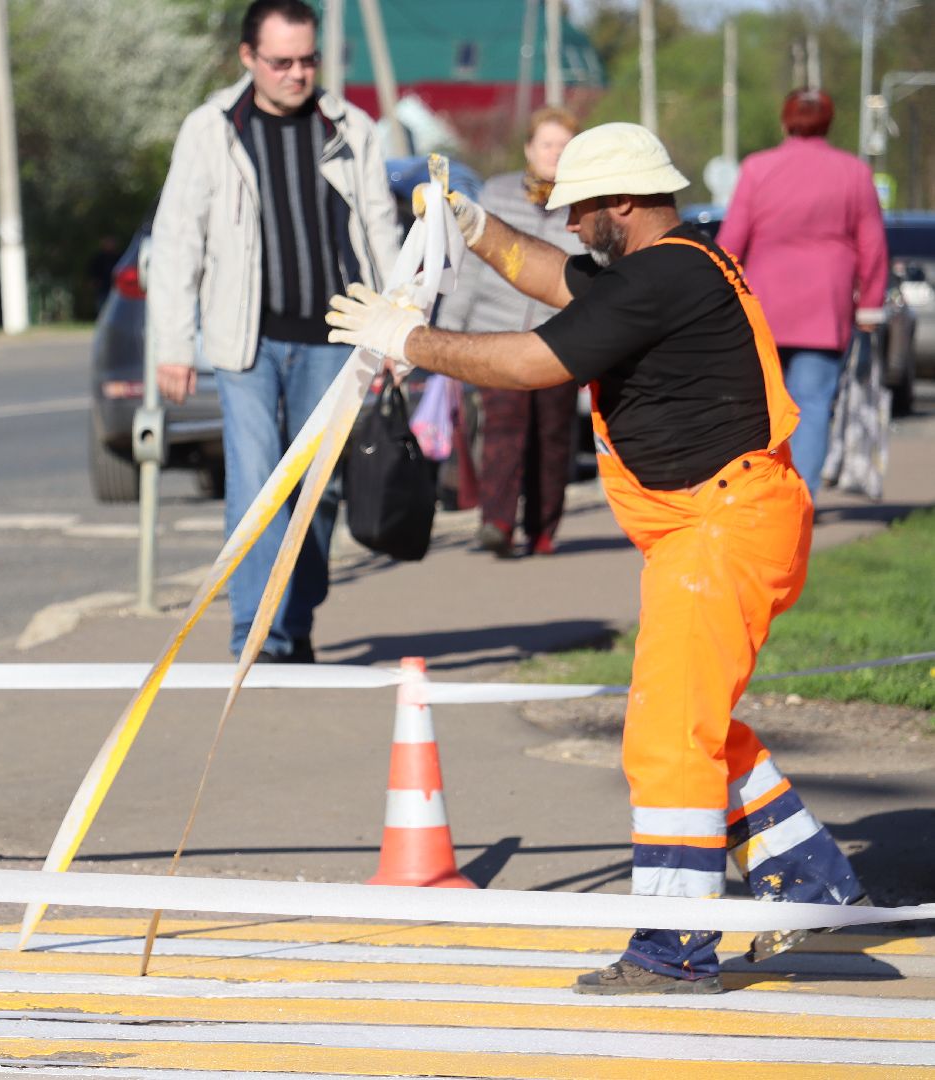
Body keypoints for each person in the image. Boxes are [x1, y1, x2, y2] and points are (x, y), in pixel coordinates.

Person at [326, 123, 865, 994]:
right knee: (700, 728)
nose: (571, 225)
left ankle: (676, 946)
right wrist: (475, 230)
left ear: (621, 202)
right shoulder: (671, 264)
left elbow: (532, 361)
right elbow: (559, 279)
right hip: (723, 520)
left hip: (718, 529)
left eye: (579, 210)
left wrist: (410, 342)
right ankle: (814, 886)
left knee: (666, 739)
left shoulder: (660, 279)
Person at [148, 0, 401, 663]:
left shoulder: (351, 128)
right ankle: (257, 639)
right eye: (281, 61)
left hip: (333, 340)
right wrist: (173, 346)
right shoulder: (210, 130)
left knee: (316, 495)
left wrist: (401, 333)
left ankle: (295, 616)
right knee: (258, 484)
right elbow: (177, 242)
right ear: (247, 58)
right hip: (245, 343)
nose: (297, 74)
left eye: (308, 60)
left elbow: (382, 233)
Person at [717, 89, 888, 495]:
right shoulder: (853, 173)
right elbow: (873, 245)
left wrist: (719, 298)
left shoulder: (758, 169)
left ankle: (756, 493)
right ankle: (802, 498)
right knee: (811, 405)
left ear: (784, 121)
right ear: (829, 123)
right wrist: (870, 305)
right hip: (824, 310)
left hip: (763, 307)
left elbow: (731, 241)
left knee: (759, 406)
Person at [436, 106, 583, 557]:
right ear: (528, 149)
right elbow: (472, 264)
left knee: (552, 436)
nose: (554, 153)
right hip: (496, 333)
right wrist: (447, 334)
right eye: (547, 144)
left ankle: (542, 528)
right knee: (502, 430)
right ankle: (497, 522)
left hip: (560, 339)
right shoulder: (497, 194)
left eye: (563, 145)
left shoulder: (584, 200)